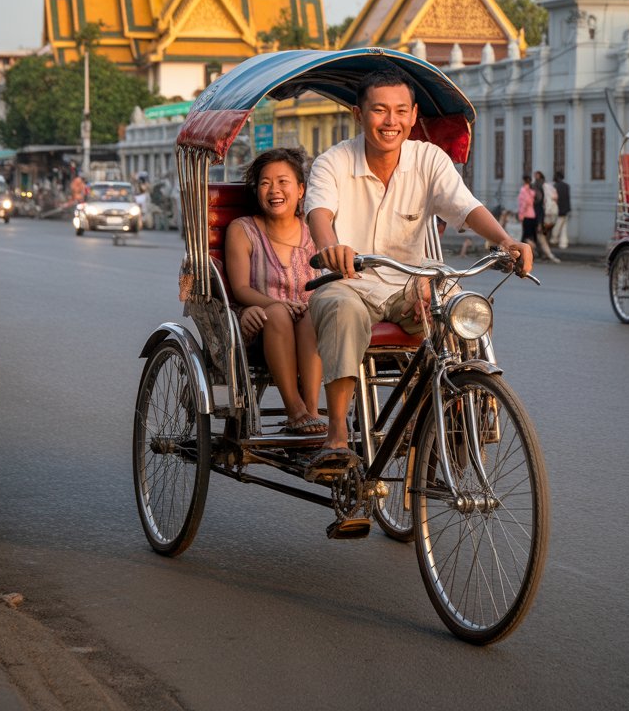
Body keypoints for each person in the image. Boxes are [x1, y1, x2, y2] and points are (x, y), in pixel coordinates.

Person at [304, 68, 533, 475]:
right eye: (379, 110)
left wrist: (505, 240)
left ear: (412, 116)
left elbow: (465, 206)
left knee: (460, 308)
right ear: (359, 114)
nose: (390, 121)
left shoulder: (428, 158)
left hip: (411, 280)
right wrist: (329, 247)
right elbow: (319, 213)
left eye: (400, 111)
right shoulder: (333, 162)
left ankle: (451, 415)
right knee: (340, 309)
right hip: (349, 281)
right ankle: (337, 433)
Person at [225, 148, 326, 435]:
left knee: (312, 313)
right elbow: (240, 289)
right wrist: (275, 304)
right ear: (257, 191)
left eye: (283, 182)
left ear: (301, 190)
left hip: (308, 323)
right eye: (265, 183)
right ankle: (294, 410)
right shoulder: (242, 230)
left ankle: (311, 410)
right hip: (259, 321)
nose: (274, 191)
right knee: (279, 313)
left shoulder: (314, 230)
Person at [532, 171, 559, 262]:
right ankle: (544, 254)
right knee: (543, 236)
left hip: (544, 216)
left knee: (541, 236)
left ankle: (545, 254)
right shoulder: (547, 186)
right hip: (548, 215)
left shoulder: (542, 187)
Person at [551, 171, 571, 250]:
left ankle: (554, 240)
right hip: (565, 209)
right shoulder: (566, 186)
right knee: (564, 227)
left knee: (557, 226)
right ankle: (563, 243)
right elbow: (567, 198)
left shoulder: (555, 186)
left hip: (558, 210)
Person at [517, 175, 538, 251]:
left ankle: (530, 251)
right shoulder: (532, 191)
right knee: (530, 235)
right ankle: (532, 251)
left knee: (525, 236)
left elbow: (524, 204)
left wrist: (521, 216)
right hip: (532, 215)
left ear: (524, 181)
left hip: (526, 216)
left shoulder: (523, 190)